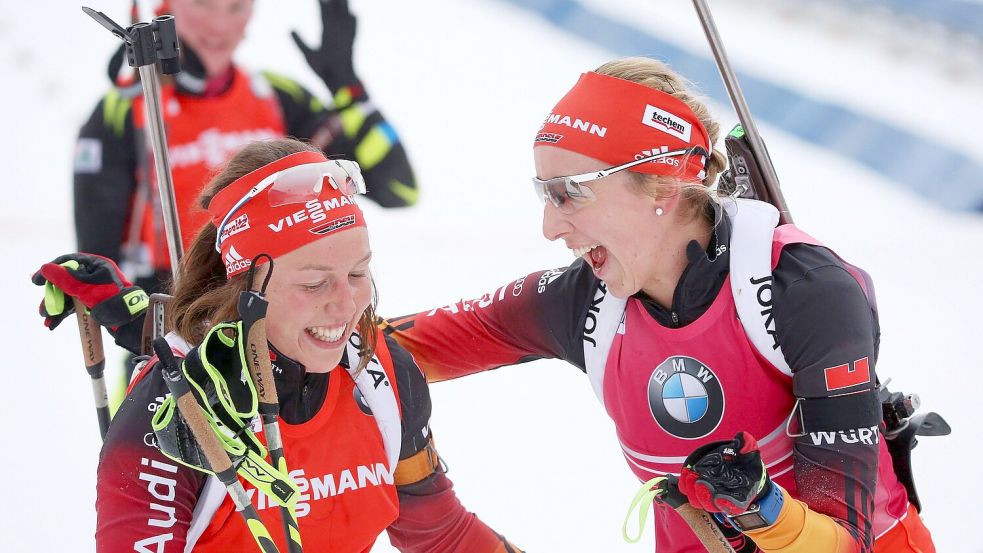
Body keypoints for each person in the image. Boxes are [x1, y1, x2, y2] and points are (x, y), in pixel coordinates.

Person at [381, 58, 936, 552]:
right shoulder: (585, 301)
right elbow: (381, 348)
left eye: (569, 192)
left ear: (664, 189)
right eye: (542, 192)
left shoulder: (801, 290)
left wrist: (761, 508)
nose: (550, 226)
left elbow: (847, 544)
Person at [35, 138, 519, 552]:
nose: (345, 305)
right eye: (314, 283)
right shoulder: (172, 410)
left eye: (357, 273)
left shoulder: (381, 375)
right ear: (245, 288)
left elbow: (440, 533)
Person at [74, 0, 418, 296]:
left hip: (279, 325)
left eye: (236, 6)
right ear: (166, 8)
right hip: (167, 335)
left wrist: (348, 87)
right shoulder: (127, 109)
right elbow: (97, 267)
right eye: (202, 4)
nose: (218, 24)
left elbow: (399, 189)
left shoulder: (279, 97)